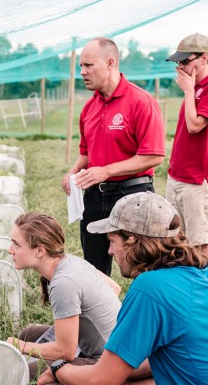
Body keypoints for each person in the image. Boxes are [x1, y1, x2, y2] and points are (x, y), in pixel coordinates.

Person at [51, 192, 208, 385]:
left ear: (131, 240)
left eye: (112, 241)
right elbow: (148, 362)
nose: (110, 252)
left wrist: (59, 369)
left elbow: (100, 380)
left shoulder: (151, 288)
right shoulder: (206, 275)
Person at [61, 37, 166, 277]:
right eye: (80, 67)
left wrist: (106, 170)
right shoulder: (89, 108)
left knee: (145, 263)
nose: (82, 72)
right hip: (95, 196)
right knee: (95, 267)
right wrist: (72, 172)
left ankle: (150, 308)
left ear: (110, 63)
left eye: (88, 66)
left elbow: (154, 156)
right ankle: (101, 312)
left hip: (133, 194)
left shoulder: (141, 102)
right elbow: (87, 154)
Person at [4, 212, 123, 382]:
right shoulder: (69, 261)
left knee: (22, 372)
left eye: (16, 244)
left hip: (105, 360)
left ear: (40, 250)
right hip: (107, 342)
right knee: (29, 333)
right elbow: (114, 288)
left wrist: (20, 346)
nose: (10, 250)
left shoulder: (63, 283)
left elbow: (65, 351)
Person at [165, 33, 208, 267]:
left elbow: (195, 126)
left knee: (201, 241)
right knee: (175, 238)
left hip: (198, 178)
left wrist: (187, 90)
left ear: (204, 58)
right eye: (178, 62)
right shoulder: (196, 86)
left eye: (185, 61)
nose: (180, 66)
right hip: (178, 175)